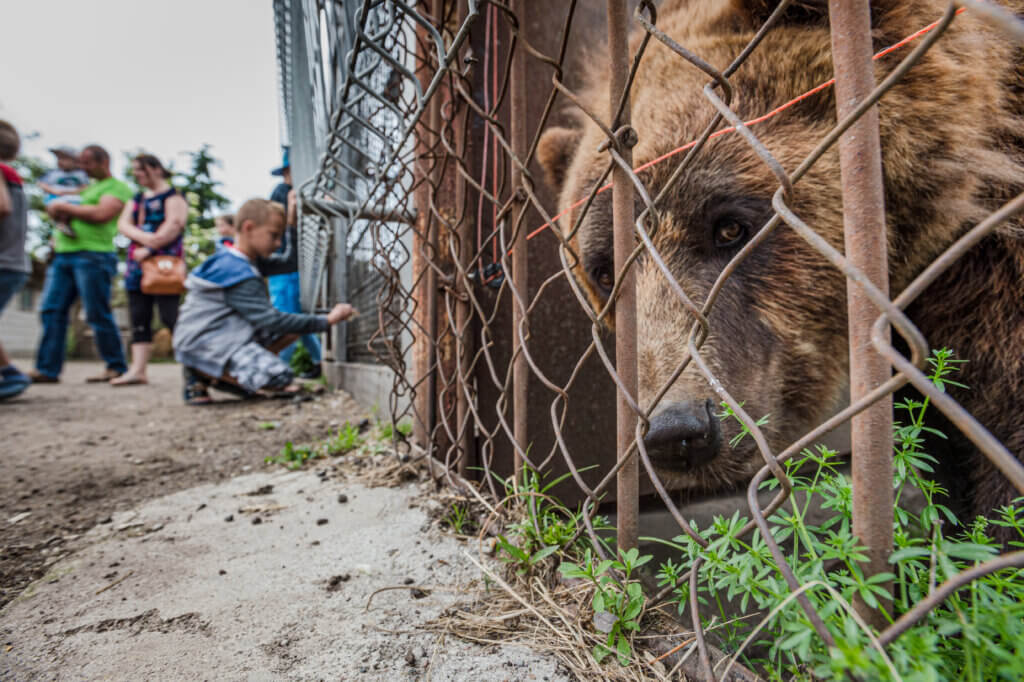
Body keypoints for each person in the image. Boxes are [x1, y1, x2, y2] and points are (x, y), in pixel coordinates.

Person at [173, 198, 355, 405]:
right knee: (280, 378)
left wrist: (292, 225)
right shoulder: (235, 270)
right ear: (248, 227)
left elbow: (291, 263)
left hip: (224, 335)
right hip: (204, 341)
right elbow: (272, 320)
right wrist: (327, 320)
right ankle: (203, 372)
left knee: (292, 328)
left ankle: (227, 374)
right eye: (273, 235)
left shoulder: (245, 262)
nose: (278, 243)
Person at [29, 145, 132, 384]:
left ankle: (115, 365)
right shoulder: (87, 188)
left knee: (96, 312)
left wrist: (63, 206)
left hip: (94, 255)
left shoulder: (116, 187)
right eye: (81, 163)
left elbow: (101, 214)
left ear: (103, 161)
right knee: (52, 310)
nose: (82, 168)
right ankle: (47, 369)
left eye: (87, 163)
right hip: (63, 254)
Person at [110, 154, 187, 386]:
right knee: (139, 316)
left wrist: (151, 246)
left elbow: (174, 225)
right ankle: (138, 370)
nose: (136, 174)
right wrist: (147, 240)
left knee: (170, 315)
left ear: (155, 168)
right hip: (137, 264)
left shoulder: (174, 197)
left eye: (139, 170)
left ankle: (194, 365)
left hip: (164, 265)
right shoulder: (137, 199)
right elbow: (123, 224)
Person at [263, 148, 323, 379]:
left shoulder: (297, 193)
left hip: (294, 265)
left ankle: (283, 367)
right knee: (290, 317)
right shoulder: (283, 193)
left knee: (293, 316)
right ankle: (280, 367)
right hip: (286, 266)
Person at [0, 121, 31, 400]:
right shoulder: (13, 177)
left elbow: (1, 206)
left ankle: (10, 373)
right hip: (14, 261)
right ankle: (8, 373)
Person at [38, 146, 89, 239]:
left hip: (74, 198)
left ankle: (65, 225)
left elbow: (85, 186)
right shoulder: (53, 173)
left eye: (64, 159)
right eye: (59, 159)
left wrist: (73, 192)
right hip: (56, 197)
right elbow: (42, 184)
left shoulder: (81, 174)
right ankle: (61, 223)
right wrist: (54, 191)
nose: (60, 162)